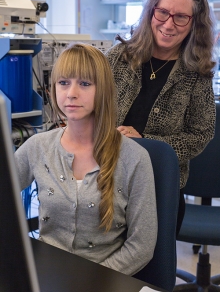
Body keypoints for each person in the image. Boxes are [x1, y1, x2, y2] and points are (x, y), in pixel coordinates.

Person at [14, 43, 157, 276]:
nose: (71, 93)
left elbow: (141, 247)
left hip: (104, 279)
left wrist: (92, 282)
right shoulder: (38, 147)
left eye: (84, 83)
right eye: (63, 83)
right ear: (53, 89)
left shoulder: (135, 158)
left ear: (103, 90)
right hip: (47, 273)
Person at [105, 0, 216, 235]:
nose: (168, 24)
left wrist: (147, 143)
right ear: (151, 12)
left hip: (160, 189)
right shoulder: (117, 58)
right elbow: (91, 113)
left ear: (194, 23)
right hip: (107, 182)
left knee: (150, 273)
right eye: (162, 12)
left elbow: (201, 135)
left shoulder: (196, 74)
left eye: (180, 17)